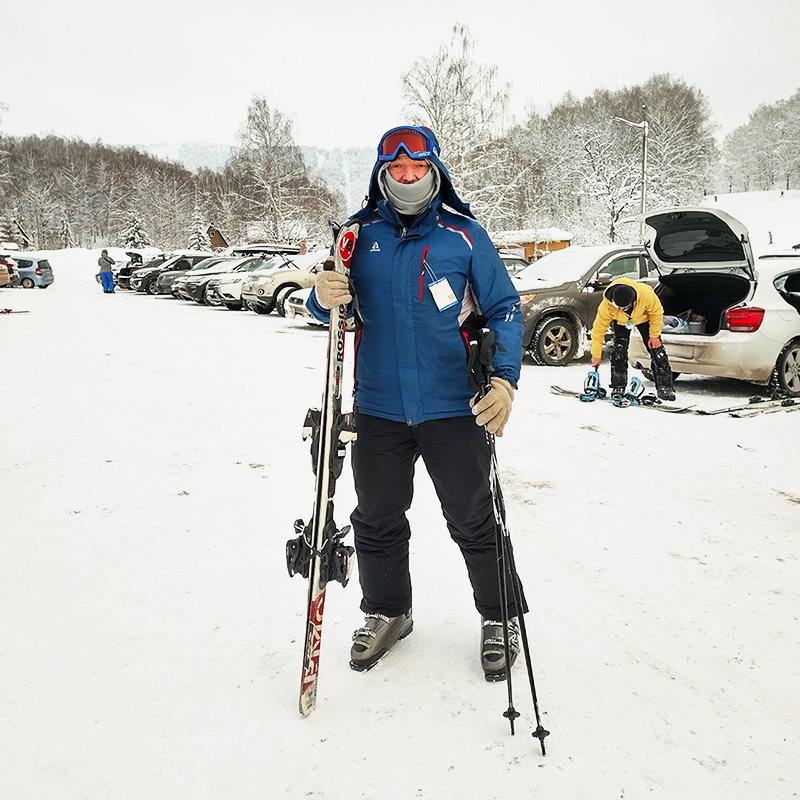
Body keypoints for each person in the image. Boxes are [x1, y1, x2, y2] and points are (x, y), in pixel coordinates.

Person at [306, 125, 526, 681]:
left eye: (417, 167)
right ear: (383, 173)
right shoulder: (355, 237)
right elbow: (331, 310)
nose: (407, 176)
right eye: (396, 168)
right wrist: (320, 295)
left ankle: (501, 618)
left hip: (454, 405)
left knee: (474, 518)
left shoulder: (464, 236)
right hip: (378, 406)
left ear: (433, 170)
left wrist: (503, 381)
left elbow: (504, 309)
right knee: (376, 518)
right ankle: (388, 610)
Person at [590, 278, 675, 401]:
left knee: (657, 352)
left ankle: (665, 387)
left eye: (624, 307)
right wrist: (596, 354)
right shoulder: (606, 305)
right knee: (619, 351)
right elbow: (598, 330)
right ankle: (618, 386)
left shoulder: (646, 295)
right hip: (622, 321)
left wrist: (654, 336)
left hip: (644, 318)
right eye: (617, 306)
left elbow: (657, 313)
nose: (620, 309)